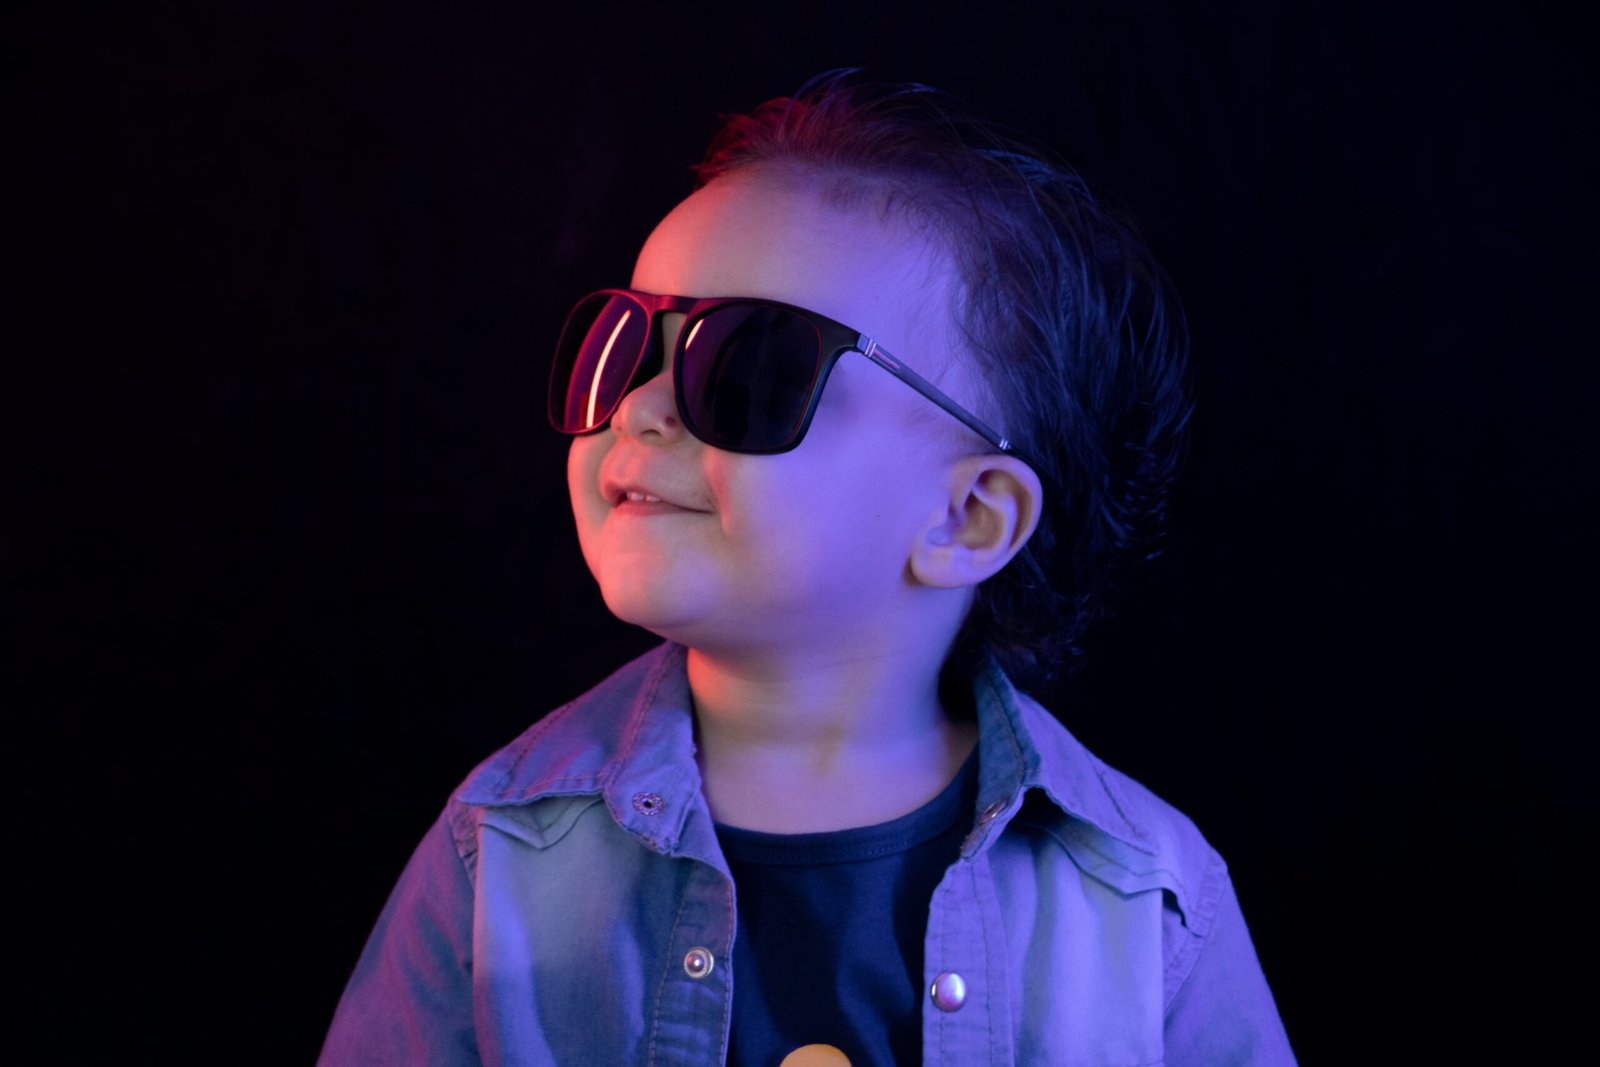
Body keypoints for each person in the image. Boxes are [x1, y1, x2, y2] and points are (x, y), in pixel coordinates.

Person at [319, 72, 1295, 1066]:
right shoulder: (500, 850)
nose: (639, 409)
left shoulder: (1145, 899)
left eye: (747, 367)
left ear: (965, 517)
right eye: (625, 348)